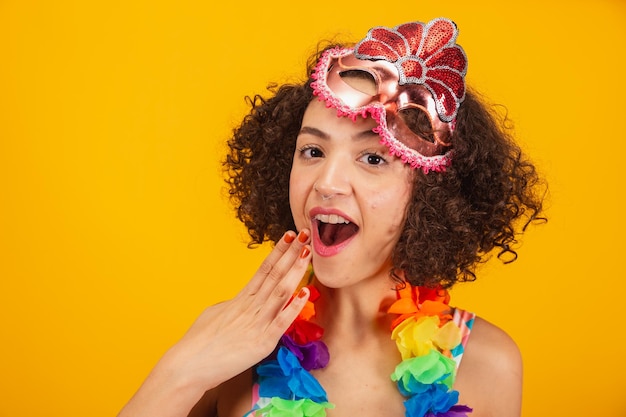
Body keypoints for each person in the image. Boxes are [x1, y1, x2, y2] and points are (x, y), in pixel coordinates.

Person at [118, 17, 545, 417]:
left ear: (432, 194)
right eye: (313, 151)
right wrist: (181, 372)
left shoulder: (487, 363)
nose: (327, 182)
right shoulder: (230, 344)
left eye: (374, 158)